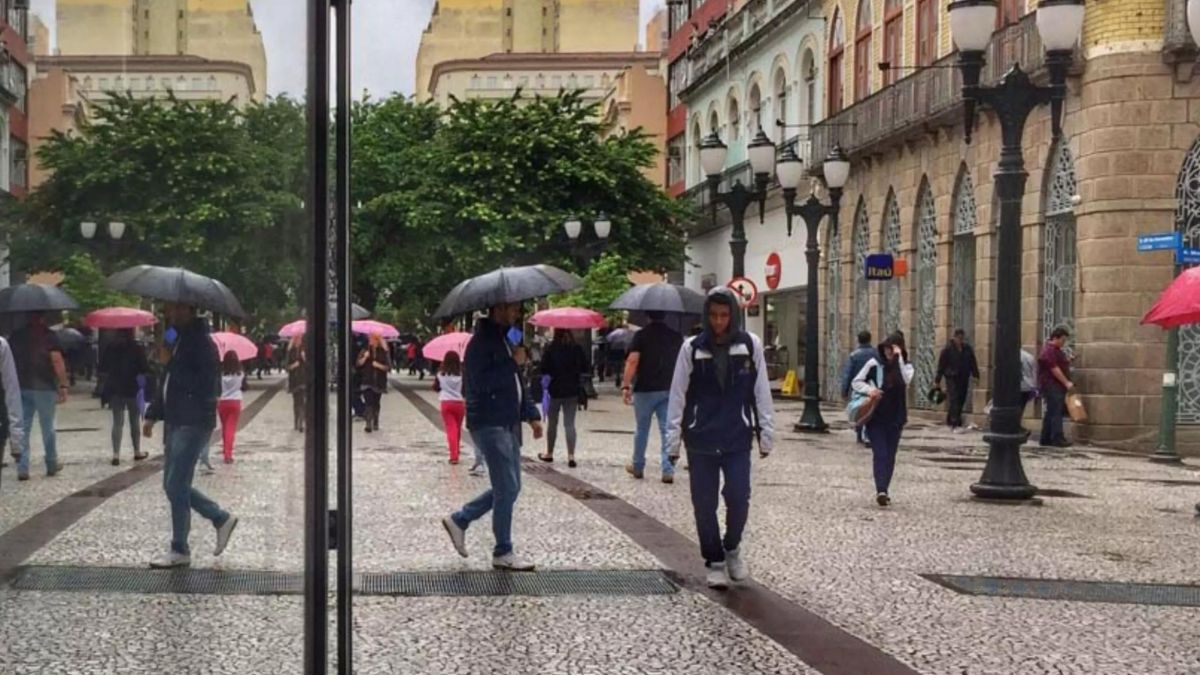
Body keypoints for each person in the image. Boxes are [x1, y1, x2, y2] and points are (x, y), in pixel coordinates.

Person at [665, 287, 775, 590]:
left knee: (739, 496)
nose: (718, 322)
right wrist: (672, 440)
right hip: (700, 437)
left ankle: (732, 547)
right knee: (704, 502)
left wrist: (766, 431)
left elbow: (761, 391)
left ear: (733, 316)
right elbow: (678, 395)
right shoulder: (691, 348)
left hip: (737, 436)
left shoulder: (749, 345)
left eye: (724, 315)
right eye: (713, 315)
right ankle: (713, 559)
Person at [441, 301, 543, 572]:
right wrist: (512, 363)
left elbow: (517, 382)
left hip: (508, 421)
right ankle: (502, 551)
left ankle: (461, 520)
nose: (517, 314)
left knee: (510, 487)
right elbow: (481, 383)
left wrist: (531, 413)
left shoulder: (503, 340)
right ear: (498, 310)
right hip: (490, 422)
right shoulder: (480, 344)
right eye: (512, 309)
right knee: (507, 488)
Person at [143, 302, 238, 568]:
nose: (169, 314)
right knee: (173, 485)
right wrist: (153, 413)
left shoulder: (202, 344)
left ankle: (182, 546)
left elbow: (204, 385)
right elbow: (167, 382)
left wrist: (171, 363)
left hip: (193, 420)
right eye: (167, 311)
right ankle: (219, 520)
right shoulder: (178, 338)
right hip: (175, 419)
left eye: (173, 310)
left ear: (187, 310)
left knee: (176, 485)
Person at [852, 335, 914, 507]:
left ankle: (884, 488)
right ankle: (881, 489)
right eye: (887, 348)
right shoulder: (874, 364)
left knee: (891, 455)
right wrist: (870, 390)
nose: (889, 351)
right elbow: (856, 382)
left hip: (896, 417)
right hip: (877, 415)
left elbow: (905, 379)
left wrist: (898, 357)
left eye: (892, 348)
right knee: (881, 453)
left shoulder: (906, 367)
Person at [622, 310, 684, 483]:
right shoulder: (676, 337)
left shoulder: (641, 336)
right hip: (668, 388)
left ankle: (638, 466)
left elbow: (633, 360)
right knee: (667, 429)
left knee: (642, 429)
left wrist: (625, 385)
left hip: (645, 388)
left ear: (648, 316)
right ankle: (668, 469)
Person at [11, 313, 69, 481]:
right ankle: (51, 463)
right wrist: (63, 384)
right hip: (45, 387)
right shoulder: (50, 336)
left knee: (23, 427)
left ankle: (23, 467)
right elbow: (57, 360)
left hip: (21, 386)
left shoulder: (16, 336)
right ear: (43, 318)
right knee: (48, 427)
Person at [537, 329, 588, 468]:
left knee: (552, 423)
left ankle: (549, 453)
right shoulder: (576, 349)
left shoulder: (551, 348)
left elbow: (543, 369)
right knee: (569, 424)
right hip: (572, 390)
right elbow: (585, 367)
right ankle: (571, 456)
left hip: (555, 391)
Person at [99, 328, 150, 466]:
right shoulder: (137, 348)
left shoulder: (111, 347)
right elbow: (144, 368)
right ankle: (137, 451)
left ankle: (116, 454)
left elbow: (103, 368)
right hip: (133, 389)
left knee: (117, 422)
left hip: (115, 389)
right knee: (134, 421)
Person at [934, 328, 981, 432]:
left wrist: (976, 375)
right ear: (954, 337)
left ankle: (951, 419)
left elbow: (973, 363)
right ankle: (955, 423)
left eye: (962, 338)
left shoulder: (967, 349)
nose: (960, 340)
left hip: (964, 377)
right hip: (951, 377)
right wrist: (937, 381)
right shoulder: (947, 350)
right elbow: (941, 366)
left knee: (961, 399)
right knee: (954, 398)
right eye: (959, 338)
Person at [1038, 327, 1074, 448]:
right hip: (1052, 385)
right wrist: (1066, 382)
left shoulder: (1056, 350)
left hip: (1053, 385)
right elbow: (1054, 369)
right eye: (1062, 340)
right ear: (1055, 338)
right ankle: (1057, 437)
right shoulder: (1049, 351)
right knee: (1056, 411)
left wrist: (1067, 361)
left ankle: (1046, 437)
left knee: (1051, 411)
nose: (1064, 343)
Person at [841, 331, 876, 446]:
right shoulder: (876, 354)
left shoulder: (854, 355)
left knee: (859, 410)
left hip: (858, 387)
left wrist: (844, 391)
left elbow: (848, 374)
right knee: (870, 410)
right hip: (872, 386)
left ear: (858, 340)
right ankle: (868, 435)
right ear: (870, 339)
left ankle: (859, 434)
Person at [357, 333, 391, 433]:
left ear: (378, 341)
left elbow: (388, 367)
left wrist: (378, 365)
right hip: (367, 380)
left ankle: (375, 420)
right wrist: (364, 358)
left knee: (376, 403)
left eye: (374, 339)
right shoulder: (365, 350)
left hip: (379, 382)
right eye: (370, 339)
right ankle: (368, 423)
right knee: (368, 402)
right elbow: (358, 364)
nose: (371, 341)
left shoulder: (383, 352)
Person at [436, 351, 466, 465]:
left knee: (450, 429)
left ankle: (453, 455)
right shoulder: (462, 374)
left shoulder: (441, 374)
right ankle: (456, 451)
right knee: (457, 429)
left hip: (446, 403)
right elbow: (465, 388)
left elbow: (436, 387)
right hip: (459, 403)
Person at [217, 351, 246, 464]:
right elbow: (243, 386)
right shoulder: (240, 374)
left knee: (224, 427)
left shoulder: (221, 374)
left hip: (223, 402)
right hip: (235, 401)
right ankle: (228, 454)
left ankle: (225, 450)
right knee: (231, 428)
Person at [286, 335, 307, 432]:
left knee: (302, 401)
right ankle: (296, 421)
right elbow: (286, 367)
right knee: (296, 402)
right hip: (294, 380)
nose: (299, 341)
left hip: (303, 379)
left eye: (300, 339)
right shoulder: (291, 351)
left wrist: (304, 358)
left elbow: (310, 365)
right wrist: (293, 365)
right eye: (297, 339)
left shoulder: (304, 350)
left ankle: (301, 423)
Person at [1020, 348, 1038, 418]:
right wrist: (1034, 386)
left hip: (1016, 386)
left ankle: (1014, 424)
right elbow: (1033, 372)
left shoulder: (1010, 355)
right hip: (1027, 385)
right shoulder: (1028, 356)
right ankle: (1017, 424)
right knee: (1021, 406)